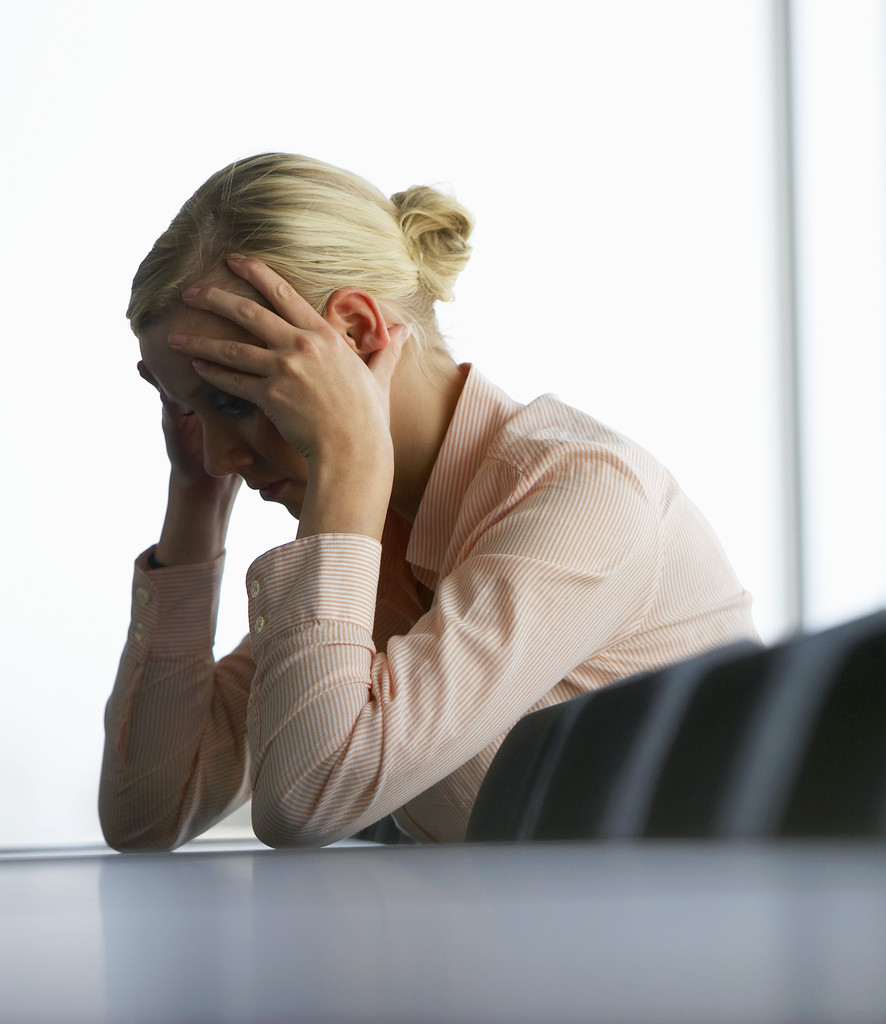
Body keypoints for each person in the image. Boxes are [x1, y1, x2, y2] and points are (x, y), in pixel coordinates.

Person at [99, 153, 757, 850]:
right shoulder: (373, 530)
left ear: (355, 333)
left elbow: (307, 799)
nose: (217, 453)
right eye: (190, 411)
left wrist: (349, 462)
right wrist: (195, 500)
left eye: (235, 399)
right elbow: (149, 812)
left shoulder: (583, 494)